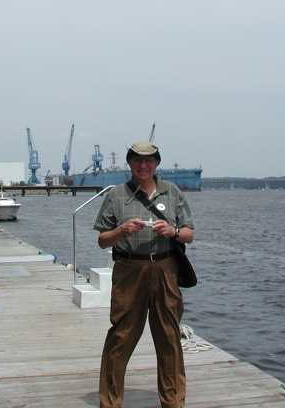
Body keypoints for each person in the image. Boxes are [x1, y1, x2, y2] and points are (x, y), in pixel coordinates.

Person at [93, 141, 195, 408]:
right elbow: (103, 241)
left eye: (149, 161)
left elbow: (189, 234)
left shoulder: (172, 192)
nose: (143, 165)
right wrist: (121, 231)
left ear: (157, 163)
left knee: (169, 336)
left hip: (165, 269)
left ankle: (173, 401)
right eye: (137, 160)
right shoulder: (115, 195)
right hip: (129, 271)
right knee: (121, 336)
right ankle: (110, 402)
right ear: (129, 163)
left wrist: (172, 231)